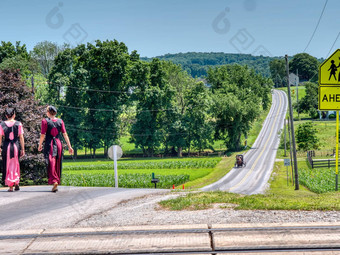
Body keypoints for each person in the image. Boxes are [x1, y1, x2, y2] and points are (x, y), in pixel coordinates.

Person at [38, 106, 73, 192]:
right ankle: (56, 181)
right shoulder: (60, 121)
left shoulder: (45, 121)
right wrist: (69, 146)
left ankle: (54, 180)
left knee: (51, 162)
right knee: (57, 162)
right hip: (58, 144)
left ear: (48, 112)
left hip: (50, 144)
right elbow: (65, 134)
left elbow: (43, 134)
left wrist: (40, 144)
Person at [0, 108, 25, 192]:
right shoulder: (18, 124)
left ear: (6, 115)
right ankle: (16, 182)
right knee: (16, 164)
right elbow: (21, 137)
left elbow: (0, 137)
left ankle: (10, 185)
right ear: (14, 115)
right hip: (15, 146)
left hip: (6, 146)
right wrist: (23, 148)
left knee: (8, 165)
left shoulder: (2, 124)